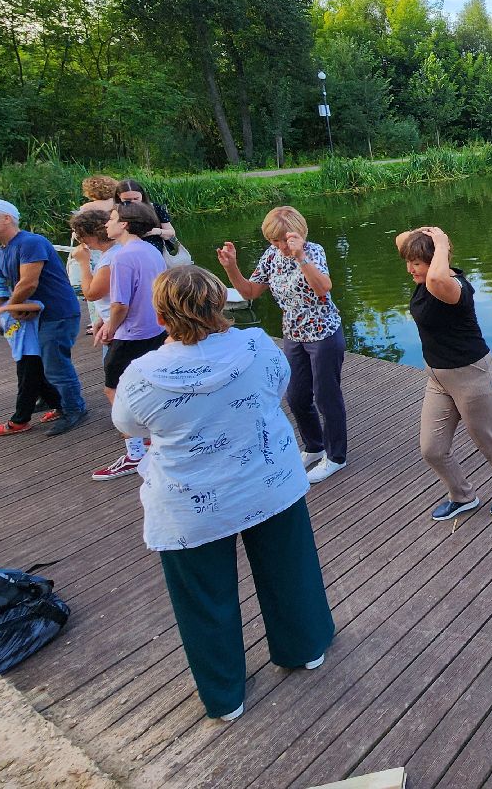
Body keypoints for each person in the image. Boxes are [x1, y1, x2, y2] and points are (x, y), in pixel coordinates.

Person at [112, 265, 334, 722]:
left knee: (204, 597)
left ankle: (224, 695)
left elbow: (128, 426)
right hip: (269, 481)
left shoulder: (141, 374)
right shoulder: (256, 346)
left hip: (191, 503)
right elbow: (277, 389)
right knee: (290, 572)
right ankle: (305, 649)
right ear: (220, 305)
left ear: (160, 315)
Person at [394, 225, 492, 521]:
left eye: (416, 263)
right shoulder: (426, 276)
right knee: (432, 448)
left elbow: (439, 274)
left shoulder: (451, 287)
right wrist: (426, 234)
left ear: (435, 259)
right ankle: (463, 495)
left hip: (471, 374)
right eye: (409, 262)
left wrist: (440, 241)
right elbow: (402, 241)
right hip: (438, 377)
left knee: (486, 437)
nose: (409, 269)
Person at [217, 206, 348, 484]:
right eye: (273, 240)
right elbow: (249, 292)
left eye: (283, 239)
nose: (279, 245)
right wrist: (231, 268)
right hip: (293, 333)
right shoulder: (271, 256)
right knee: (296, 396)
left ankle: (336, 457)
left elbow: (323, 288)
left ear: (298, 234)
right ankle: (314, 446)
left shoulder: (314, 251)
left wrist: (300, 257)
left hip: (323, 333)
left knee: (326, 396)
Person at [0, 196, 87, 435]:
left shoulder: (30, 242)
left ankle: (74, 409)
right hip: (31, 314)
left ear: (6, 218)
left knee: (55, 365)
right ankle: (54, 402)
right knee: (35, 362)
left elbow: (28, 283)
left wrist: (9, 310)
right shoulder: (1, 252)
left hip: (56, 313)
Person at [90, 201, 168, 481]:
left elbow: (120, 303)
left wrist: (109, 326)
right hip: (155, 331)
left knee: (115, 392)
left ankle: (136, 452)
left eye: (111, 218)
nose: (106, 224)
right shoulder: (151, 251)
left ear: (124, 223)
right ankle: (153, 441)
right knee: (148, 388)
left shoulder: (122, 257)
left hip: (130, 334)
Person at [0, 276, 61, 436]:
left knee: (26, 387)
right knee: (40, 383)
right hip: (21, 354)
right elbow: (2, 328)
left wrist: (2, 309)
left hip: (32, 352)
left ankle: (20, 420)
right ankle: (61, 406)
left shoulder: (12, 307)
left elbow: (38, 306)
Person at [68, 210, 119, 350]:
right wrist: (101, 319)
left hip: (119, 328)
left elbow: (91, 294)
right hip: (112, 321)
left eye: (80, 235)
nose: (79, 239)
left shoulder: (110, 259)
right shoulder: (115, 251)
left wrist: (83, 263)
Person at [115, 179, 182, 257]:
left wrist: (155, 231)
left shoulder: (155, 208)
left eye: (136, 199)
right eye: (127, 200)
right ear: (119, 196)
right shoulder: (115, 212)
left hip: (154, 251)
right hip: (127, 251)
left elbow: (171, 233)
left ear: (142, 195)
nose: (133, 202)